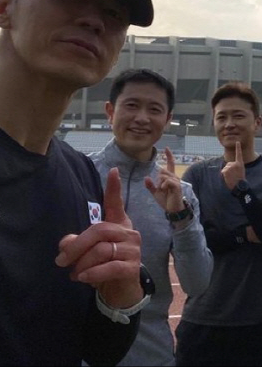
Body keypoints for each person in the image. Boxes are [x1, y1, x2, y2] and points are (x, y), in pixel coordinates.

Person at [0, 0, 155, 365]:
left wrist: (120, 295)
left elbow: (98, 351)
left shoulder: (83, 176)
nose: (94, 20)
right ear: (2, 7)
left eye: (114, 13)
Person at [89, 68, 213, 366]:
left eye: (154, 109)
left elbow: (197, 284)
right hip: (76, 348)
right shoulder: (78, 174)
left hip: (150, 353)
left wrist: (180, 217)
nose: (142, 118)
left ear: (167, 119)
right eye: (132, 105)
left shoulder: (181, 194)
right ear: (110, 111)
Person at [175, 82, 262, 366]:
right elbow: (191, 242)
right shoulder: (197, 174)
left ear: (257, 122)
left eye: (238, 115)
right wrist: (244, 235)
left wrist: (242, 189)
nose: (229, 123)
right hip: (203, 316)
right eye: (221, 117)